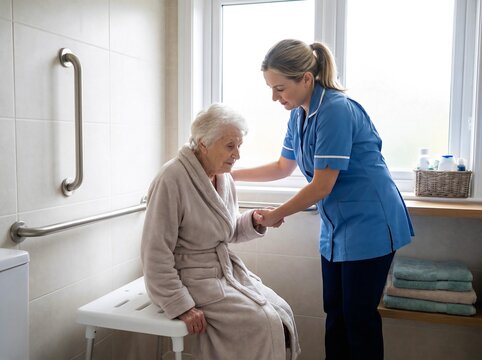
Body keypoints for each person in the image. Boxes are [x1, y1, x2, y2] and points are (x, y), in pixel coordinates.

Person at [232, 39, 414, 360]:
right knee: (335, 312)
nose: (274, 97)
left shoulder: (335, 110)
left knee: (358, 318)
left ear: (306, 78)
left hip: (371, 224)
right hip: (337, 228)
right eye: (271, 89)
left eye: (279, 88)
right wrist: (227, 174)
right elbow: (281, 167)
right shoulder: (298, 114)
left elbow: (321, 186)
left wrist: (277, 214)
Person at [141, 103, 300, 360]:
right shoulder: (172, 178)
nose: (237, 155)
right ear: (203, 143)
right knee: (261, 322)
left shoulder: (223, 176)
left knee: (281, 312)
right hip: (190, 280)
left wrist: (256, 221)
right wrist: (179, 305)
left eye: (239, 146)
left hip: (223, 273)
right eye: (230, 146)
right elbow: (155, 252)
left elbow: (227, 230)